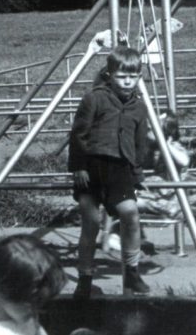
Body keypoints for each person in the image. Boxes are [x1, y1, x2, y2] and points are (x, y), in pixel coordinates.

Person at [68, 45, 151, 298]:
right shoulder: (95, 98)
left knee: (131, 214)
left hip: (119, 169)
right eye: (121, 76)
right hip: (92, 167)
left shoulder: (139, 107)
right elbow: (78, 134)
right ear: (109, 75)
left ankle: (133, 272)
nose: (127, 81)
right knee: (91, 223)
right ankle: (85, 279)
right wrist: (79, 166)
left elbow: (140, 144)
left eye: (133, 76)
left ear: (139, 76)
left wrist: (137, 174)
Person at [0, 234, 65, 335]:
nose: (35, 311)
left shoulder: (24, 316)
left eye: (39, 304)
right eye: (30, 304)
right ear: (3, 289)